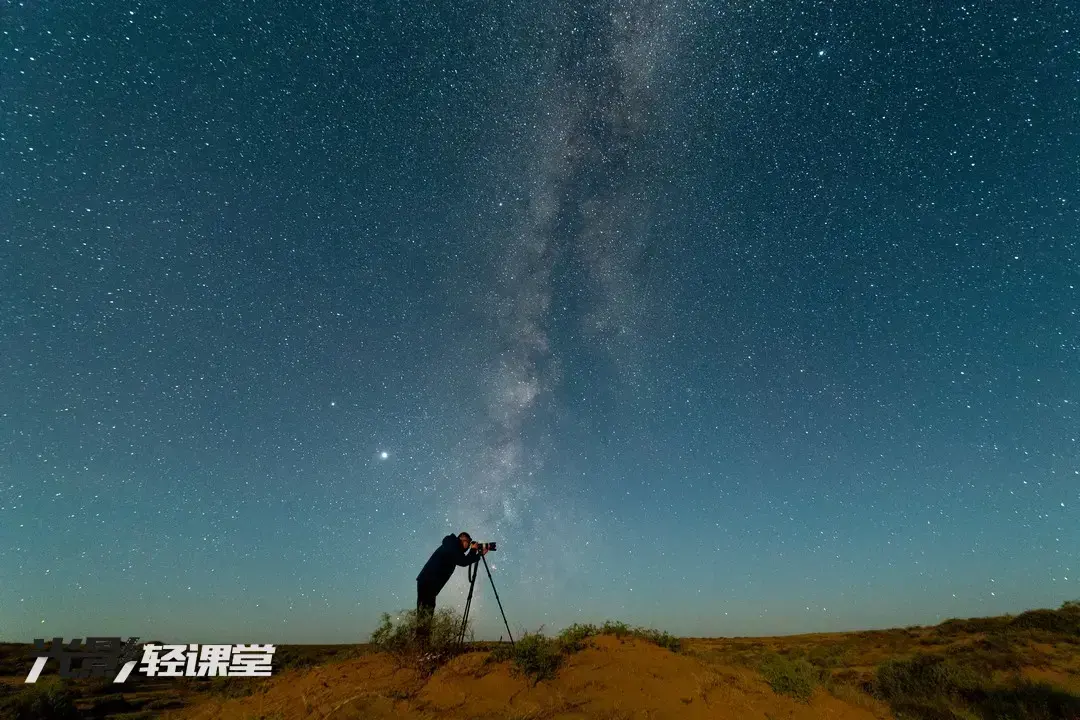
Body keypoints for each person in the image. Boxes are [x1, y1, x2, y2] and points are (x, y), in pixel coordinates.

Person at [415, 531, 488, 645]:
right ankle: (420, 646)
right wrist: (474, 551)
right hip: (428, 581)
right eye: (468, 543)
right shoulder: (451, 543)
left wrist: (478, 554)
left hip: (429, 583)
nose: (468, 546)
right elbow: (463, 561)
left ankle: (421, 644)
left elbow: (463, 559)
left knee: (427, 613)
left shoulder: (453, 547)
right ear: (462, 539)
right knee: (425, 614)